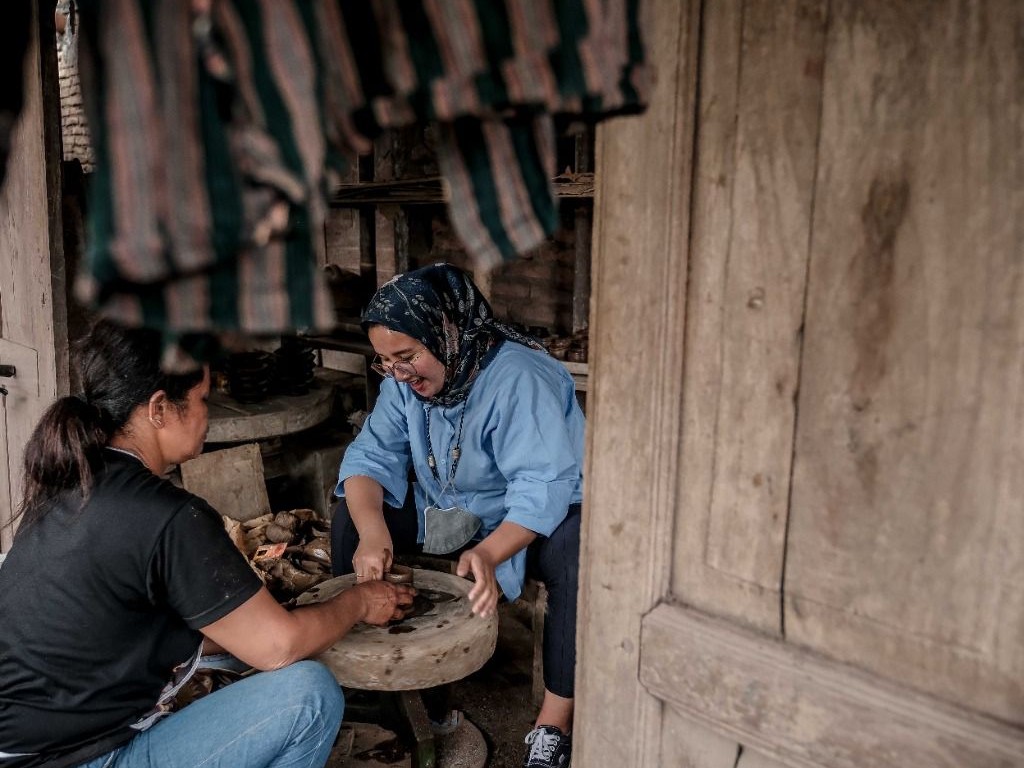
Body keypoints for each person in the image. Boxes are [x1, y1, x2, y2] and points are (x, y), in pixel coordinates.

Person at [0, 319, 415, 768]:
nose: (208, 413)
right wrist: (358, 602)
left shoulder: (69, 479)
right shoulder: (169, 516)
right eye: (200, 399)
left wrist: (271, 615)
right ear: (159, 409)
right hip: (73, 758)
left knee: (233, 660)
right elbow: (278, 647)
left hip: (26, 742)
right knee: (309, 695)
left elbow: (144, 630)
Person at [331, 263, 583, 768]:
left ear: (446, 332)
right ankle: (371, 682)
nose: (399, 374)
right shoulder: (404, 380)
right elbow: (371, 456)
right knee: (351, 516)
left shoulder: (518, 378)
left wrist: (490, 552)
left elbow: (541, 487)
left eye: (407, 357)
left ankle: (553, 722)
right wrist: (373, 532)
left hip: (519, 518)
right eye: (386, 362)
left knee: (575, 553)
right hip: (447, 507)